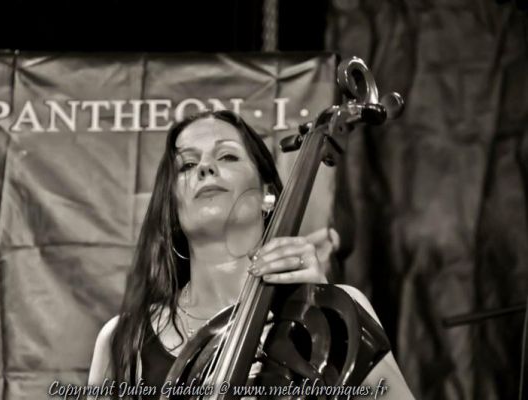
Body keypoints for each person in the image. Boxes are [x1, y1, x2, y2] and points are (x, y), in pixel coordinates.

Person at [88, 110, 414, 399]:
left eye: (227, 156)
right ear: (172, 206)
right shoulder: (123, 339)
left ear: (267, 195)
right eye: (187, 164)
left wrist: (324, 315)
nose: (205, 168)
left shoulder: (340, 309)